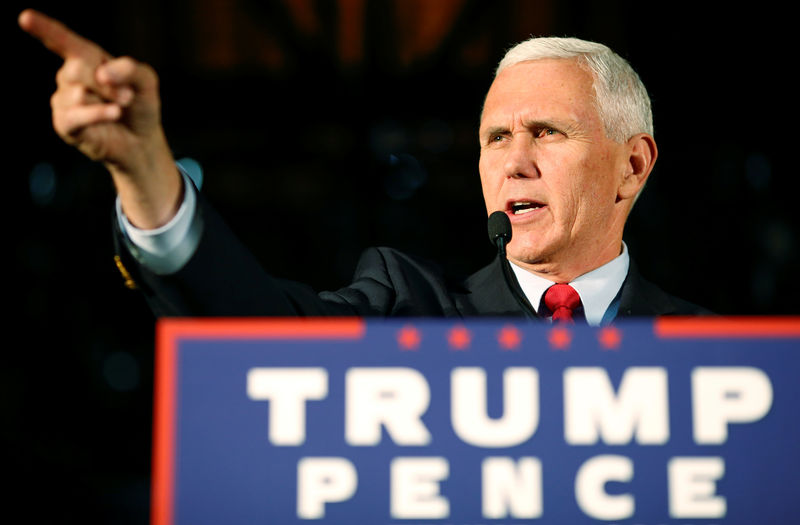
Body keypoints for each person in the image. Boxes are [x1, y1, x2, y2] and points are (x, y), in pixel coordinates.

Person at [19, 9, 707, 324]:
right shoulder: (411, 311)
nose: (513, 162)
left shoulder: (716, 356)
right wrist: (145, 172)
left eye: (546, 132)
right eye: (495, 137)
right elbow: (253, 327)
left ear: (633, 164)